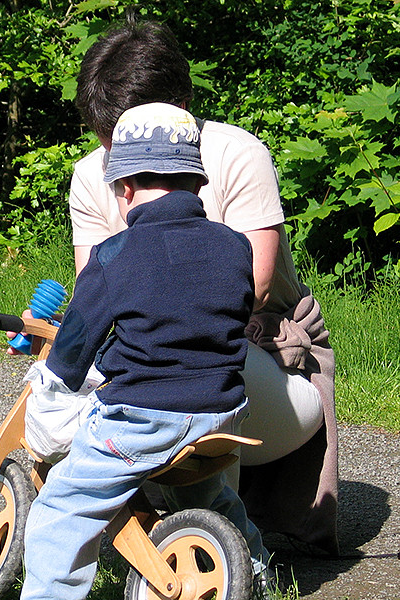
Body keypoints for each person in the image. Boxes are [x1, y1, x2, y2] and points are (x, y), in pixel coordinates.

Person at [67, 17, 338, 556]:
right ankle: (121, 534)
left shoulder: (237, 154)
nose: (111, 154)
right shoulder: (89, 176)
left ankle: (210, 552)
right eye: (104, 135)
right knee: (65, 383)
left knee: (203, 368)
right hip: (151, 353)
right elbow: (89, 293)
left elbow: (251, 290)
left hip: (257, 352)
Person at [21, 102, 268, 600]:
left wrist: (54, 381)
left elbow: (74, 345)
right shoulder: (234, 247)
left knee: (64, 506)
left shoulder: (114, 254)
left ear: (124, 189)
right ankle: (255, 571)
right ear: (198, 185)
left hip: (142, 419)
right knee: (204, 491)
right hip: (221, 415)